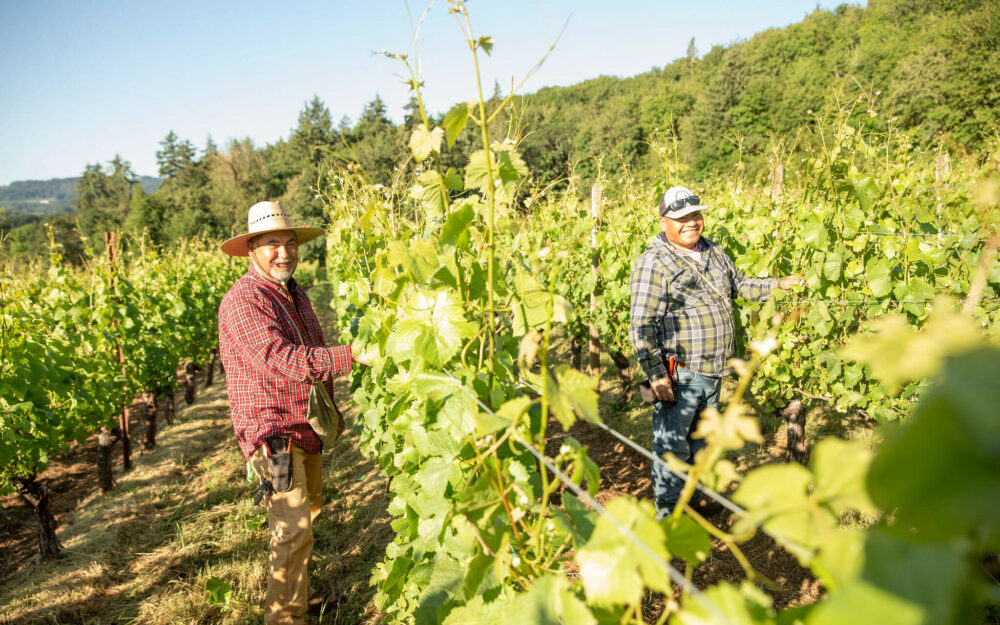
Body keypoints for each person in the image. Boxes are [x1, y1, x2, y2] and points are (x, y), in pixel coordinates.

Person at [218, 200, 366, 624]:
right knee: (291, 528)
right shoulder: (245, 300)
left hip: (302, 422)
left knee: (307, 515)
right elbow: (278, 358)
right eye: (271, 245)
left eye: (288, 243)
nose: (284, 252)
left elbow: (309, 348)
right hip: (273, 431)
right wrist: (352, 356)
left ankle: (295, 598)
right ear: (252, 250)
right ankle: (285, 618)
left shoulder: (292, 291)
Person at [628, 186, 804, 519]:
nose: (691, 222)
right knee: (672, 446)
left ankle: (693, 505)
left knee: (701, 443)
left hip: (713, 371)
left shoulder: (712, 251)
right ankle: (668, 517)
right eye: (681, 218)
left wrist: (778, 285)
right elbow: (641, 324)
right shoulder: (654, 263)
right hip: (680, 373)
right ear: (664, 221)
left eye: (695, 215)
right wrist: (656, 375)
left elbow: (740, 285)